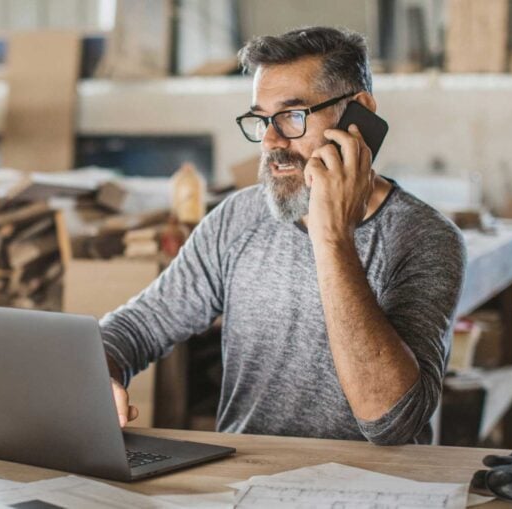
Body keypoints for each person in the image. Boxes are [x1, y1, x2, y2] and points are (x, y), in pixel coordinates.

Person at [100, 26, 466, 445]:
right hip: (246, 479)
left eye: (293, 116)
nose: (271, 141)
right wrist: (102, 370)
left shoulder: (426, 238)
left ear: (359, 115)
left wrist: (332, 237)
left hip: (372, 488)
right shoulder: (238, 219)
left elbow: (391, 422)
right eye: (261, 119)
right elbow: (137, 327)